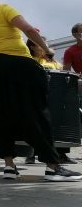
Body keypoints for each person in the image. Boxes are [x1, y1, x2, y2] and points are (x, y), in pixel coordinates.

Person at [0, 0, 82, 182]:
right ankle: (52, 166)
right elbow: (29, 29)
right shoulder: (3, 9)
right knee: (35, 113)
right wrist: (46, 49)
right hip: (18, 64)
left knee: (0, 116)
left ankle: (9, 166)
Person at [24, 37, 75, 165]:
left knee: (58, 125)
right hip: (38, 97)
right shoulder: (30, 61)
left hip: (55, 98)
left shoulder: (53, 62)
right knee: (37, 125)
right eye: (41, 45)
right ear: (32, 47)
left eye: (45, 45)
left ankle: (61, 154)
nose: (44, 47)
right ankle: (30, 154)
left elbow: (63, 73)